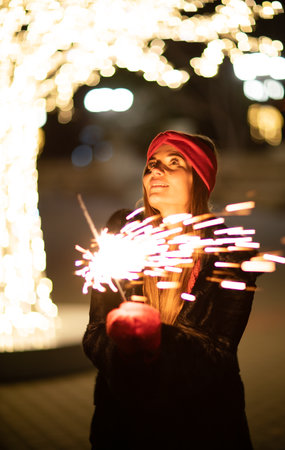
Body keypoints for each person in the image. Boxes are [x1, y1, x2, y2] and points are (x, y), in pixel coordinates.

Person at [83, 130, 258, 450]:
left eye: (174, 162)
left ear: (199, 179)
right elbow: (94, 332)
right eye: (151, 165)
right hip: (125, 426)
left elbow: (218, 350)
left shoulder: (229, 251)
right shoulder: (123, 233)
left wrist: (156, 339)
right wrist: (123, 346)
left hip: (203, 426)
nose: (155, 171)